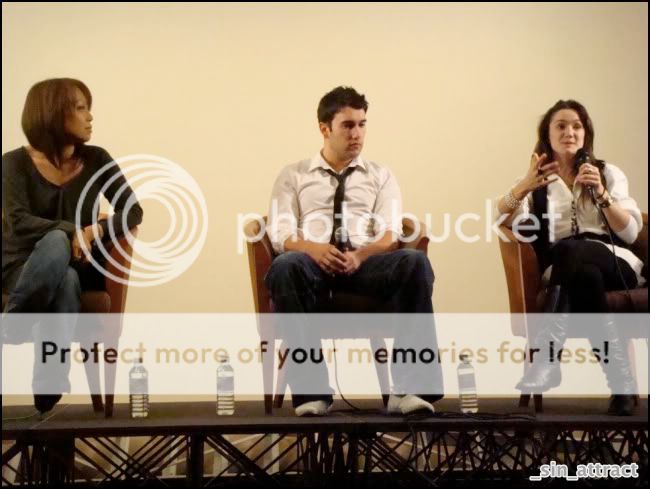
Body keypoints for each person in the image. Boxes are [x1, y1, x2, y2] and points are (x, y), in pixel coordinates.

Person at [265, 86, 443, 417]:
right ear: (324, 128)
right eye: (347, 125)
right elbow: (280, 232)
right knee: (286, 265)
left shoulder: (380, 175)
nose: (357, 134)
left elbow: (390, 234)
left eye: (362, 124)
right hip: (313, 266)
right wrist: (314, 249)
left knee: (414, 261)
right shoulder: (294, 175)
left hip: (364, 265)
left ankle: (410, 389)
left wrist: (360, 255)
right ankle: (312, 394)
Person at [2, 78, 143, 413]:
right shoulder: (12, 163)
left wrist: (93, 232)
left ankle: (14, 324)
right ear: (52, 113)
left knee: (66, 271)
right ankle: (49, 380)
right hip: (23, 268)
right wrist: (72, 231)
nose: (90, 117)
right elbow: (18, 221)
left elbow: (133, 210)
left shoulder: (96, 159)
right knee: (60, 261)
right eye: (80, 108)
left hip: (81, 265)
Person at [496, 99, 644, 415]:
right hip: (568, 270)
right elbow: (502, 219)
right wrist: (523, 187)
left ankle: (548, 357)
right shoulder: (536, 182)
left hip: (615, 261)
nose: (570, 132)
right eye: (561, 126)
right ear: (547, 135)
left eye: (577, 126)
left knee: (569, 249)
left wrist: (602, 194)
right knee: (584, 275)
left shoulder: (608, 173)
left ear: (585, 133)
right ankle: (621, 386)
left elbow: (631, 233)